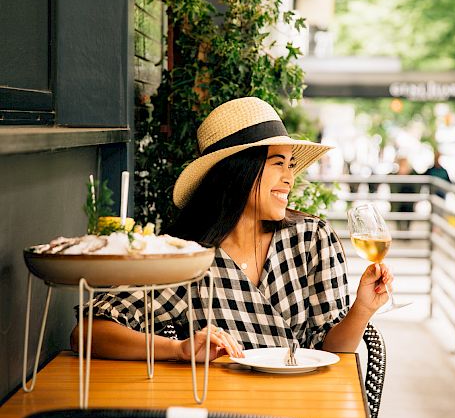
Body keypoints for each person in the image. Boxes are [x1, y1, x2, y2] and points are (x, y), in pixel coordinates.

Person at [70, 97, 393, 362]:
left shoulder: (311, 239)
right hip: (223, 417)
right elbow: (87, 334)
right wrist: (177, 349)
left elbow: (334, 350)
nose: (289, 179)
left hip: (304, 412)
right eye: (277, 163)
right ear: (238, 171)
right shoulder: (189, 256)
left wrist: (362, 308)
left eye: (290, 166)